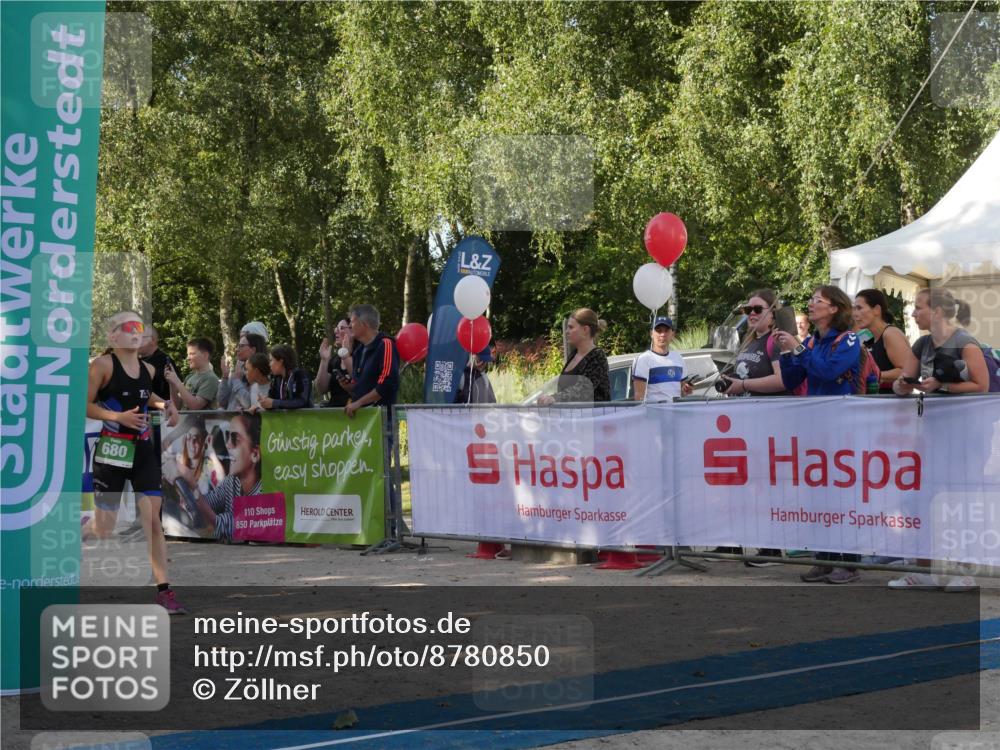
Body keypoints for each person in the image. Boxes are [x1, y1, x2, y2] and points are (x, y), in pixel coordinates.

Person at [83, 311, 185, 613]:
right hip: (112, 451)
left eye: (139, 326)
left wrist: (165, 404)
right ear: (112, 336)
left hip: (141, 452)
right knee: (104, 528)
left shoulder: (148, 369)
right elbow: (84, 404)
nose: (135, 331)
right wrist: (117, 416)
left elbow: (145, 394)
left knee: (152, 519)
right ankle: (82, 531)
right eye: (128, 327)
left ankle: (164, 591)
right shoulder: (102, 366)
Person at [887, 288, 988, 592]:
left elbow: (981, 386)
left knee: (961, 500)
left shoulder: (965, 342)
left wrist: (942, 386)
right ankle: (926, 569)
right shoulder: (921, 344)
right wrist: (903, 386)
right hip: (932, 434)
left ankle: (966, 569)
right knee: (924, 497)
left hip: (967, 435)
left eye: (918, 307)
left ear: (937, 312)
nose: (913, 313)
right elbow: (903, 381)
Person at [774, 285, 862, 584]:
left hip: (842, 430)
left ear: (834, 308)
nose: (811, 304)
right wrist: (787, 352)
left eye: (817, 300)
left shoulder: (848, 339)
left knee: (842, 497)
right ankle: (824, 558)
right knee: (818, 495)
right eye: (811, 299)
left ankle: (848, 563)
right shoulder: (812, 341)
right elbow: (792, 379)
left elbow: (828, 371)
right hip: (816, 429)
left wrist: (798, 349)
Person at [176, 412, 262, 541]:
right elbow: (210, 501)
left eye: (235, 439)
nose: (228, 444)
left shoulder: (263, 492)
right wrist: (188, 502)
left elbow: (227, 525)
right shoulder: (232, 481)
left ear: (255, 454)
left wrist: (193, 487)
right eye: (228, 436)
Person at [720, 290, 788, 397]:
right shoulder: (748, 341)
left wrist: (743, 385)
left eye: (757, 309)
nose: (752, 313)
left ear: (772, 313)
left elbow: (782, 380)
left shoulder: (777, 339)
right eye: (748, 309)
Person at [538, 308, 610, 405]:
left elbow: (584, 390)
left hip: (593, 414)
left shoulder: (597, 356)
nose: (566, 331)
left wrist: (554, 398)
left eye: (571, 327)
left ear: (585, 330)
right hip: (570, 415)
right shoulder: (573, 355)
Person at [852, 289, 916, 392]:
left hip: (894, 400)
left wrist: (875, 375)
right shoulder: (866, 337)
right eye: (854, 309)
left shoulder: (891, 334)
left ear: (876, 310)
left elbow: (907, 371)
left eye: (859, 308)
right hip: (875, 400)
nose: (855, 314)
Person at [344, 304, 400, 418]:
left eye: (352, 321)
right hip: (361, 420)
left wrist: (359, 403)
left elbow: (387, 384)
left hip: (382, 420)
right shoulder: (358, 351)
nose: (349, 326)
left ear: (364, 324)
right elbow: (359, 385)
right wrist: (348, 387)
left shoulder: (386, 344)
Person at [631, 316, 694, 403]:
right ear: (651, 334)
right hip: (654, 411)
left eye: (666, 331)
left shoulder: (678, 358)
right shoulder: (644, 359)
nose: (663, 334)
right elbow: (639, 397)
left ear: (672, 334)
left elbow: (683, 393)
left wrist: (686, 390)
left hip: (677, 410)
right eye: (659, 330)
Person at [166, 337, 220, 410]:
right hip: (183, 418)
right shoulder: (190, 377)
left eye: (192, 354)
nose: (188, 358)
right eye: (188, 354)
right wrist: (172, 383)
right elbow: (177, 406)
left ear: (205, 355)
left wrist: (177, 381)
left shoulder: (211, 379)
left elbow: (195, 406)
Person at [218, 332, 267, 411]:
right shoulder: (238, 370)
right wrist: (225, 376)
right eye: (238, 346)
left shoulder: (261, 375)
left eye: (241, 346)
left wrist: (237, 380)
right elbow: (221, 402)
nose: (237, 349)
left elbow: (249, 404)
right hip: (231, 418)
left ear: (253, 350)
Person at [258, 344, 312, 410]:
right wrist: (263, 403)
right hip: (284, 417)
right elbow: (272, 403)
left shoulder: (301, 375)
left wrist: (274, 403)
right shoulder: (276, 379)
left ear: (281, 361)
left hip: (305, 416)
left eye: (271, 360)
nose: (269, 364)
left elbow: (302, 401)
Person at [315, 318, 353, 408]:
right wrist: (324, 360)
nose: (336, 331)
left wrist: (346, 355)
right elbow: (321, 389)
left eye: (341, 328)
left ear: (353, 331)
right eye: (336, 328)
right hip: (334, 412)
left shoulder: (362, 355)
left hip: (357, 412)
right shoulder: (334, 361)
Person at [138, 325, 175, 401]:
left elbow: (175, 389)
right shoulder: (135, 361)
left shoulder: (165, 361)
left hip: (161, 406)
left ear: (152, 340)